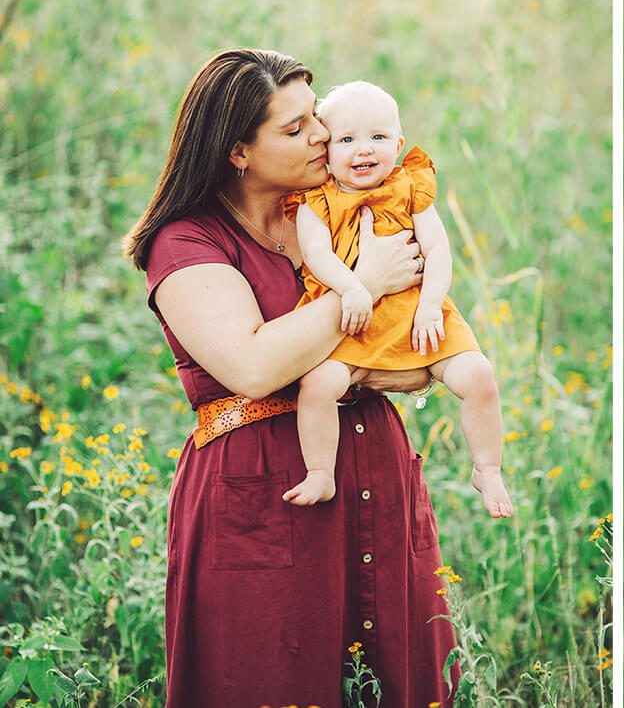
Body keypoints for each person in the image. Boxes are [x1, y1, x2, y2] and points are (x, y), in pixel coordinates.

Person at [125, 49, 458, 706]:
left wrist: (365, 361)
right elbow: (252, 366)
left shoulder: (346, 206)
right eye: (296, 128)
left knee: (397, 676)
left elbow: (425, 350)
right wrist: (362, 290)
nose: (324, 137)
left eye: (317, 118)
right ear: (237, 151)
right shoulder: (187, 243)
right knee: (269, 677)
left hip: (377, 476)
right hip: (263, 495)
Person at [280, 81, 515, 518]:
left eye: (378, 137)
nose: (363, 150)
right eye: (347, 140)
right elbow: (316, 254)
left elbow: (438, 249)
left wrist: (431, 303)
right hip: (354, 321)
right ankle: (320, 471)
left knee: (478, 374)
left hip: (416, 315)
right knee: (317, 385)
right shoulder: (318, 201)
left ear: (399, 143)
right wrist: (352, 287)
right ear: (326, 152)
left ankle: (488, 466)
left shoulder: (410, 189)